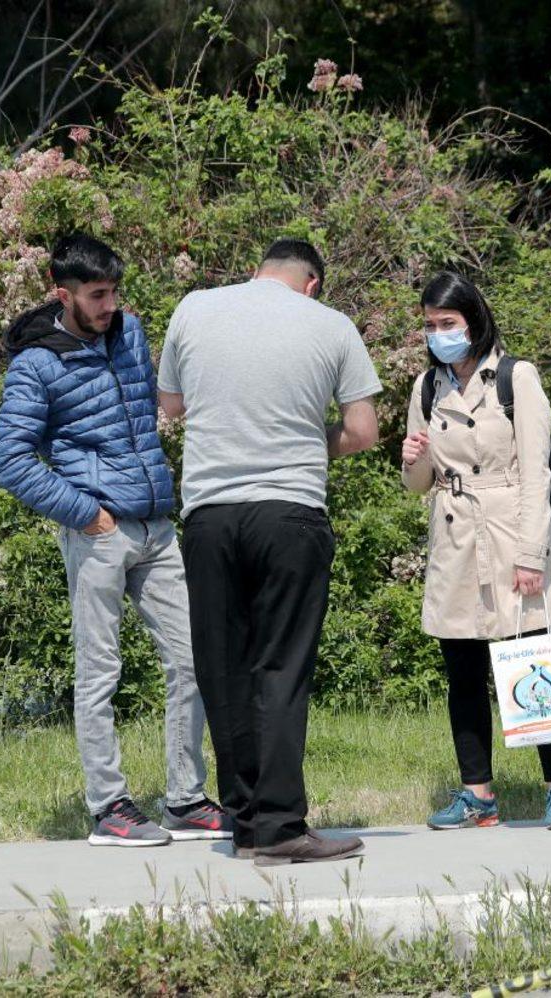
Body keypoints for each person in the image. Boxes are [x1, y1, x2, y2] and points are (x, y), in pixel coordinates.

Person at [0, 233, 231, 847]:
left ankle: (184, 799)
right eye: (97, 295)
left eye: (114, 291)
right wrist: (83, 513)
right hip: (96, 533)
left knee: (194, 659)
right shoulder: (36, 364)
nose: (110, 305)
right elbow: (11, 460)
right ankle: (109, 808)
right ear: (61, 291)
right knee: (100, 671)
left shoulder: (129, 332)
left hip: (156, 526)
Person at [158, 239, 382, 865]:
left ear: (258, 270)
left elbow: (171, 406)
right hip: (291, 513)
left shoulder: (193, 308)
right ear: (312, 283)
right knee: (280, 668)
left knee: (223, 670)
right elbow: (363, 432)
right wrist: (309, 442)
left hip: (209, 515)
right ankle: (283, 828)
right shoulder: (331, 325)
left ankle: (246, 823)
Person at [401, 271, 551, 831]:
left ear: (473, 321)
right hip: (455, 535)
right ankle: (478, 795)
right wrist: (413, 458)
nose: (438, 335)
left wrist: (531, 553)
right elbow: (418, 484)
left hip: (513, 530)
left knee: (536, 659)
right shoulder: (427, 387)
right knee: (463, 669)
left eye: (447, 323)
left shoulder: (515, 378)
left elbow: (537, 469)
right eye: (430, 326)